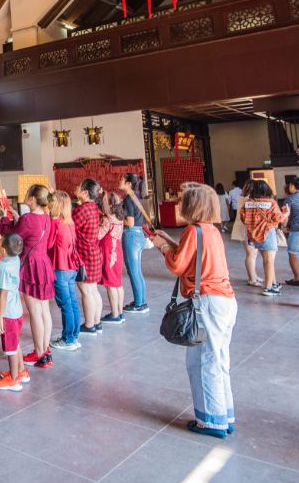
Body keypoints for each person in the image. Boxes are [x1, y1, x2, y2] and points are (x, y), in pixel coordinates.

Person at [150, 184, 237, 439]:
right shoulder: (210, 230)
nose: (179, 204)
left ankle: (210, 420)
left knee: (203, 362)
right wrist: (168, 240)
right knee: (219, 360)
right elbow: (193, 257)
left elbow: (178, 265)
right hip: (224, 301)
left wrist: (163, 248)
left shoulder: (193, 229)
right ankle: (224, 413)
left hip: (207, 303)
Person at [0, 185, 55, 369]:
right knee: (44, 310)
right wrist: (16, 217)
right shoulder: (46, 217)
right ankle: (45, 350)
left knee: (34, 312)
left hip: (31, 266)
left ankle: (39, 352)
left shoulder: (28, 219)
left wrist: (5, 218)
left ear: (31, 199)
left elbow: (13, 237)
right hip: (44, 264)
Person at [0, 232, 27, 391]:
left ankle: (13, 380)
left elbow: (3, 295)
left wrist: (0, 318)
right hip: (17, 310)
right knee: (16, 343)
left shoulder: (4, 267)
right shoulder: (15, 259)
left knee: (11, 348)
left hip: (8, 314)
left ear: (3, 250)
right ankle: (21, 371)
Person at [48, 191, 81, 351]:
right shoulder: (69, 222)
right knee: (72, 302)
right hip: (71, 266)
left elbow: (48, 244)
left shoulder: (56, 223)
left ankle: (68, 339)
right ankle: (74, 335)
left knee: (65, 305)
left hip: (60, 267)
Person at [240, 179, 285, 297]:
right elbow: (279, 218)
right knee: (269, 260)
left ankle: (273, 284)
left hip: (254, 236)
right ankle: (268, 287)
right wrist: (287, 213)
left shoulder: (248, 203)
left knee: (267, 259)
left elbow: (242, 218)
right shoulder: (271, 203)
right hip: (267, 234)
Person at [73, 178, 104, 336]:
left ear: (85, 192)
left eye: (78, 186)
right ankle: (96, 322)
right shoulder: (92, 207)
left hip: (85, 254)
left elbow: (71, 225)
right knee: (92, 290)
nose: (75, 188)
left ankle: (89, 324)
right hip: (94, 253)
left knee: (86, 291)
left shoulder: (82, 209)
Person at [119, 173, 149, 314]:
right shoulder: (136, 197)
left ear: (129, 183)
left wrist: (117, 218)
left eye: (122, 180)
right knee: (137, 271)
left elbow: (129, 222)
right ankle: (141, 301)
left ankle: (139, 304)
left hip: (131, 236)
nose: (119, 181)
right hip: (139, 235)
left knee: (133, 271)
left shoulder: (129, 199)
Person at [99, 191, 126, 324]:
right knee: (118, 283)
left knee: (110, 284)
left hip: (109, 252)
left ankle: (114, 314)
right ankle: (120, 312)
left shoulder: (107, 219)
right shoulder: (119, 217)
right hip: (117, 252)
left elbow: (98, 235)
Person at [229, 180, 261, 287]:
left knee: (253, 254)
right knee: (251, 254)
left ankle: (254, 275)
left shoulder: (243, 198)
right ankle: (252, 279)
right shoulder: (248, 200)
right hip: (246, 228)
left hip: (245, 227)